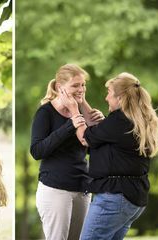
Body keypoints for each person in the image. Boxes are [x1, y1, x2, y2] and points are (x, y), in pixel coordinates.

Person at [64, 72, 158, 239]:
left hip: (114, 198)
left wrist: (74, 109)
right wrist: (82, 102)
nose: (106, 98)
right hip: (132, 197)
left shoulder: (119, 120)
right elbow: (100, 132)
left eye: (109, 93)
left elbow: (85, 138)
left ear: (120, 98)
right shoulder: (135, 119)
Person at [30, 63, 105, 240]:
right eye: (75, 85)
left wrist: (101, 126)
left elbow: (92, 148)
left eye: (83, 84)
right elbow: (36, 151)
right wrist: (69, 125)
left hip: (82, 189)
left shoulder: (80, 111)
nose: (81, 89)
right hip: (55, 190)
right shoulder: (45, 113)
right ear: (59, 87)